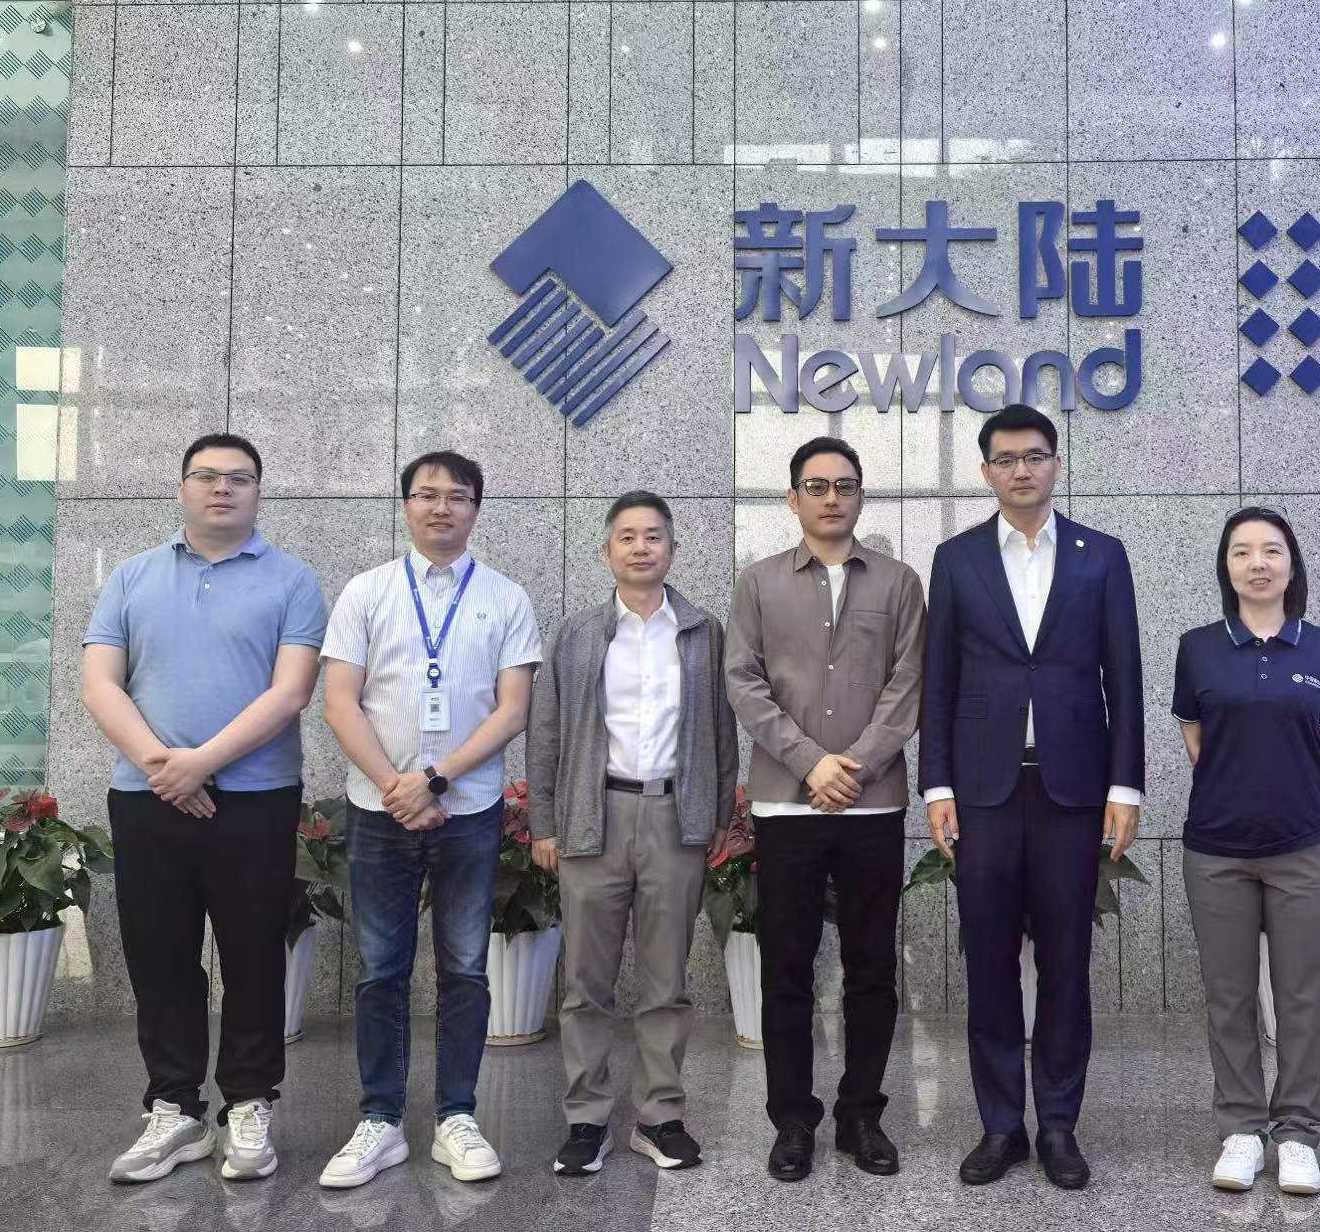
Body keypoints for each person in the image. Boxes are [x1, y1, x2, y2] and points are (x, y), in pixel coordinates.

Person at [84, 433, 327, 1184]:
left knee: (253, 954)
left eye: (239, 478)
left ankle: (249, 1103)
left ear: (258, 492)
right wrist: (165, 766)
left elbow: (291, 691)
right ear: (182, 487)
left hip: (256, 799)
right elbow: (100, 683)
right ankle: (175, 1108)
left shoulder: (293, 580)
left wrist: (201, 763)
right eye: (207, 475)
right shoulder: (132, 575)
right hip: (147, 798)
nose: (223, 488)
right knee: (160, 956)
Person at [920, 403, 1143, 1191]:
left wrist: (1125, 785)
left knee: (1066, 959)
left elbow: (1124, 676)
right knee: (987, 959)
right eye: (1007, 458)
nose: (1022, 469)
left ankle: (1057, 1123)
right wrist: (936, 783)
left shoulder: (1101, 555)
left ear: (1056, 464)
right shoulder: (956, 558)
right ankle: (1000, 1125)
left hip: (1072, 789)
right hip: (982, 789)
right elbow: (939, 679)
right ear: (986, 470)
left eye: (1035, 455)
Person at [317, 451, 541, 1189]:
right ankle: (380, 1120)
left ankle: (456, 1117)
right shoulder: (367, 591)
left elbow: (513, 709)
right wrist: (397, 787)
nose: (442, 507)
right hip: (378, 810)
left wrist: (436, 779)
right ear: (406, 503)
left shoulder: (505, 597)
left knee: (465, 969)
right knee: (380, 970)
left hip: (469, 810)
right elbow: (340, 701)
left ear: (477, 507)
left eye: (458, 496)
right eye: (427, 494)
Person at [725, 436, 925, 1182]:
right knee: (787, 967)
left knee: (873, 967)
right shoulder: (758, 582)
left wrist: (857, 766)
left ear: (861, 495)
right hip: (786, 804)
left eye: (844, 485)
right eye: (816, 485)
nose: (831, 497)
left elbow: (909, 683)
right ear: (793, 498)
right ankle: (792, 1120)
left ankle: (861, 1114)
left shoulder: (900, 582)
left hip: (873, 807)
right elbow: (744, 682)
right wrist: (811, 762)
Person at [526, 491, 738, 1176]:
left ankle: (659, 1115)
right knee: (585, 982)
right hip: (595, 816)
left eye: (653, 536)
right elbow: (546, 732)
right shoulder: (577, 633)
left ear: (672, 548)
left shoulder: (703, 631)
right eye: (628, 536)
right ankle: (587, 1119)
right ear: (607, 550)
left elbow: (722, 731)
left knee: (665, 980)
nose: (641, 547)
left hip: (676, 818)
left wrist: (719, 817)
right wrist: (544, 822)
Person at [1172, 507, 1320, 1197]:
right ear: (1226, 566)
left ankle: (1298, 1133)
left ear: (1291, 564)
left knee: (1301, 996)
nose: (1258, 562)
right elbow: (1196, 735)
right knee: (1228, 995)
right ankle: (1243, 1129)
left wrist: (1289, 789)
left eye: (1272, 550)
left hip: (1303, 846)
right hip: (1216, 848)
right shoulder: (1198, 647)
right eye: (1242, 551)